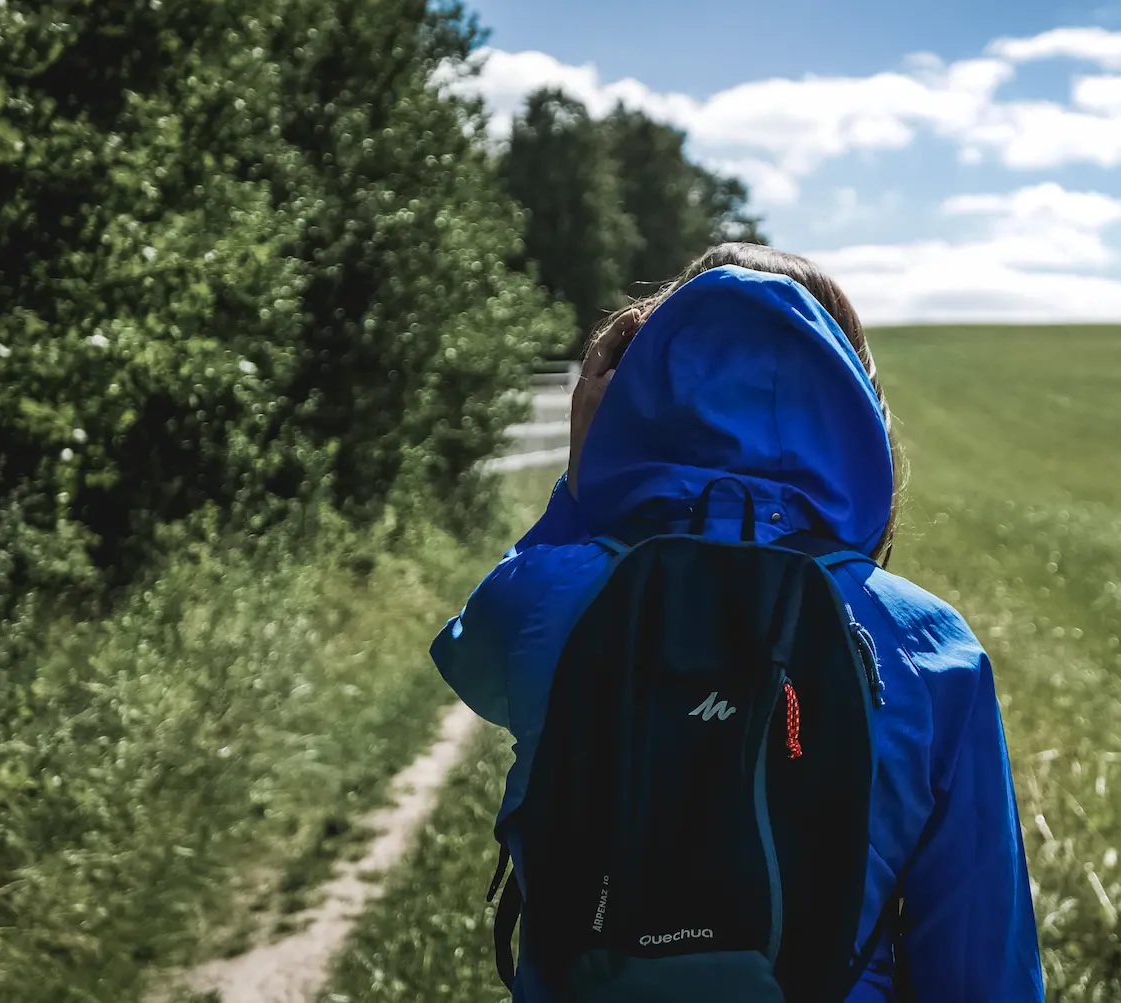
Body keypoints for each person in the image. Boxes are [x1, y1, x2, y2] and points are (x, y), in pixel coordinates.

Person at [432, 243, 1044, 1002]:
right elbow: (982, 970)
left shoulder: (551, 595)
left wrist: (581, 489)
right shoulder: (931, 647)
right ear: (854, 410)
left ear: (651, 382)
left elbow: (471, 654)